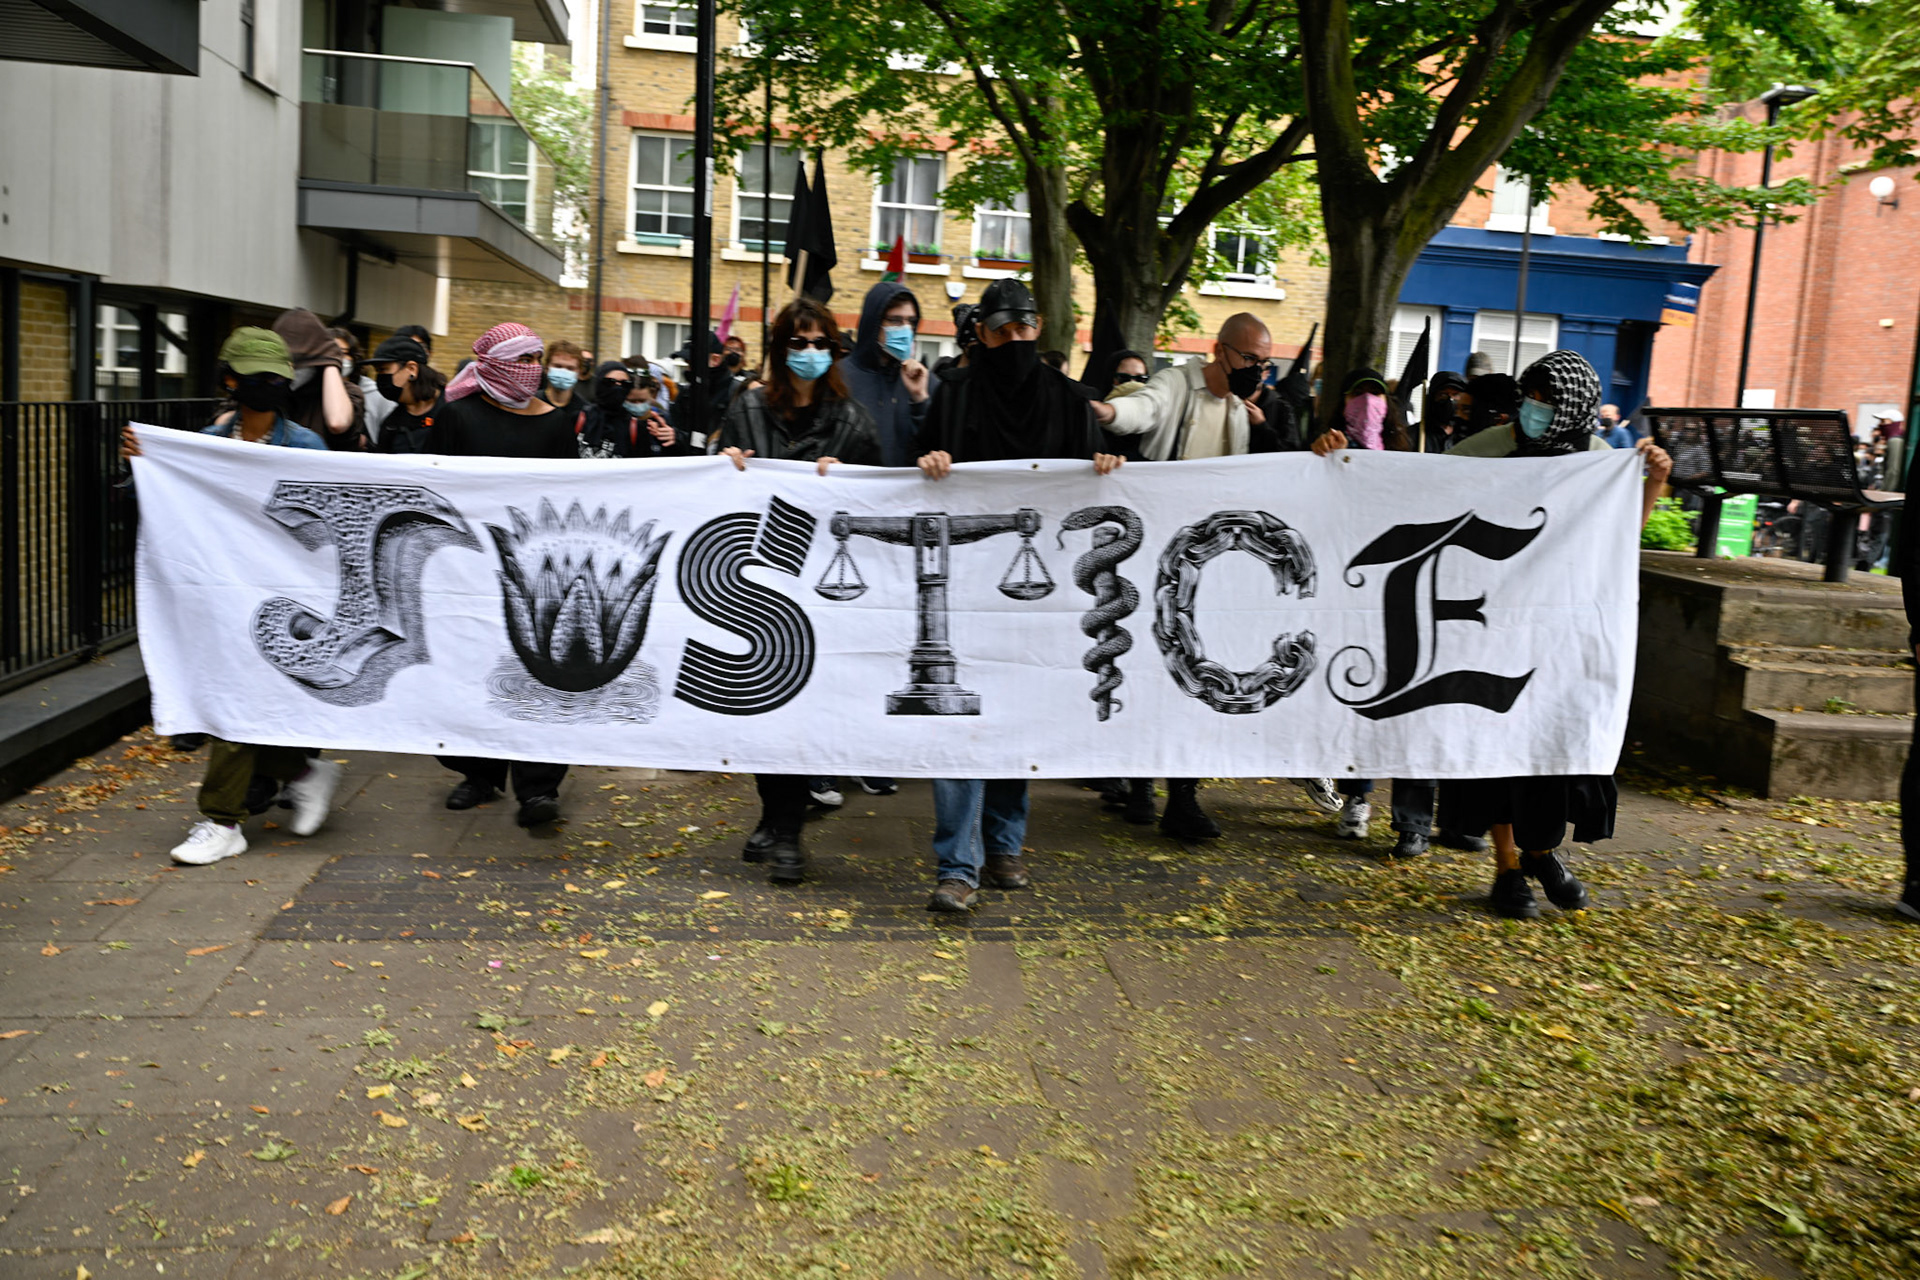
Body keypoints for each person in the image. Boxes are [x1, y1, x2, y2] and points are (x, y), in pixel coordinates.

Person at [1428, 349, 1671, 918]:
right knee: (1497, 749)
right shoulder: (1483, 452)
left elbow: (1614, 541)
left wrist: (1653, 483)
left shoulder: (1596, 462)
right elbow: (1417, 501)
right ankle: (1509, 866)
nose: (1534, 409)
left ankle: (1540, 851)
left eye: (1547, 399)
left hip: (1559, 635)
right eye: (1529, 396)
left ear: (1575, 406)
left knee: (1552, 751)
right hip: (1490, 627)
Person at [915, 278, 1125, 911]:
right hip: (966, 587)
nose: (1016, 341)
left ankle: (1005, 843)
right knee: (957, 722)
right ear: (981, 333)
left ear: (1039, 330)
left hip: (1039, 591)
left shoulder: (1068, 400)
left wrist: (1106, 467)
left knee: (1016, 717)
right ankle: (959, 863)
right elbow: (908, 466)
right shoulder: (952, 397)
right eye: (1003, 331)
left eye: (1025, 329)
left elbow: (1106, 471)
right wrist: (926, 464)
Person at [118, 327, 342, 866]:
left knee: (245, 704)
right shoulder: (206, 444)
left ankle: (223, 818)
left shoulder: (306, 447)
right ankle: (296, 777)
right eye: (256, 379)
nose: (268, 387)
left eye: (277, 379)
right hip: (225, 597)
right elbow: (171, 512)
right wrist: (142, 468)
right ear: (230, 382)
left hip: (287, 601)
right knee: (235, 700)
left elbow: (328, 523)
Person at [1087, 313, 1282, 840]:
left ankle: (1184, 794)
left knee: (1197, 666)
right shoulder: (1177, 382)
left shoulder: (1245, 413)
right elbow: (1141, 408)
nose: (1258, 371)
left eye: (1266, 363)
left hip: (1211, 563)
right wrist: (1107, 411)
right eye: (1249, 360)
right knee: (1149, 662)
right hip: (1155, 551)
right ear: (1219, 351)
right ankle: (1140, 781)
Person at [716, 298, 882, 885]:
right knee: (764, 703)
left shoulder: (852, 421)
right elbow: (721, 491)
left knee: (803, 708)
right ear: (779, 348)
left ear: (832, 348)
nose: (808, 353)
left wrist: (851, 482)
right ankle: (776, 818)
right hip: (762, 582)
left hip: (824, 589)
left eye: (818, 343)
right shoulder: (749, 406)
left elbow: (879, 505)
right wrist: (725, 464)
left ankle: (785, 831)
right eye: (797, 342)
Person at [429, 322, 577, 830]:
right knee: (472, 668)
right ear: (492, 363)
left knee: (535, 671)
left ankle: (539, 787)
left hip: (533, 569)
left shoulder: (559, 424)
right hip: (468, 567)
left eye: (539, 357)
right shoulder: (457, 415)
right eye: (524, 358)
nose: (534, 368)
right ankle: (479, 772)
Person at [841, 282, 933, 466]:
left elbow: (933, 446)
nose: (906, 329)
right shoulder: (837, 377)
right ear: (874, 323)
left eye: (911, 322)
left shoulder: (925, 381)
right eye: (896, 320)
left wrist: (920, 400)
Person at [274, 308, 365, 450]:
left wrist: (330, 362)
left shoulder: (349, 393)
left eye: (301, 361)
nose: (294, 370)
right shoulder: (271, 388)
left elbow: (338, 422)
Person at [578, 361, 686, 458]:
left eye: (642, 401)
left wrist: (675, 438)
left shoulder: (660, 420)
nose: (638, 406)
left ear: (652, 396)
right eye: (632, 401)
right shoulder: (587, 417)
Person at [368, 335, 445, 454]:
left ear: (411, 369)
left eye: (383, 370)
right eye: (378, 372)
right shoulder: (391, 425)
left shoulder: (451, 409)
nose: (380, 378)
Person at [331, 327, 392, 446]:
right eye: (332, 352)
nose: (338, 358)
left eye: (343, 353)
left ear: (354, 357)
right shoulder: (314, 391)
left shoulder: (376, 393)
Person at [1419, 371, 1468, 453]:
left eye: (1455, 395)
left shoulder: (1469, 436)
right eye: (1443, 395)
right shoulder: (1415, 435)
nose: (1450, 400)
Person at [543, 339, 586, 413]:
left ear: (579, 372)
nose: (563, 372)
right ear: (547, 368)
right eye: (558, 366)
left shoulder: (584, 411)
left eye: (570, 368)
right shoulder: (532, 403)